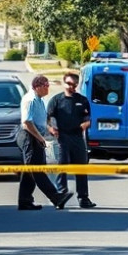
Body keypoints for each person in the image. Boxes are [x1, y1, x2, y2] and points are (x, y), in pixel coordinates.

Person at [15, 74, 74, 210]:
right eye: (46, 86)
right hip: (29, 137)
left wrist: (49, 129)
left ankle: (25, 201)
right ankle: (55, 197)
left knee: (31, 170)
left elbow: (42, 119)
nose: (48, 88)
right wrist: (41, 139)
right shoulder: (30, 100)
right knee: (36, 170)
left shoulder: (40, 100)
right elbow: (27, 123)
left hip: (36, 137)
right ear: (37, 86)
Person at [47, 72, 96, 208]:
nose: (71, 87)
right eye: (69, 84)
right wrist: (51, 128)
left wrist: (86, 124)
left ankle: (83, 198)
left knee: (81, 167)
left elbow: (88, 118)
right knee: (62, 166)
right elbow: (49, 118)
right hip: (61, 137)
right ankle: (61, 195)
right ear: (64, 83)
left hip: (77, 137)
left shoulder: (82, 100)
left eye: (74, 84)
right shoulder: (56, 100)